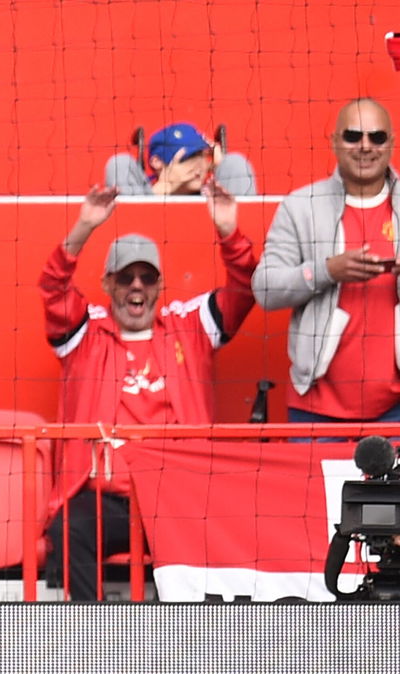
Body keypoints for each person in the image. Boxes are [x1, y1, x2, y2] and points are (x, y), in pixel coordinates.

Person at [39, 182, 257, 601]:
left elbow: (246, 287)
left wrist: (230, 232)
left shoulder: (190, 327)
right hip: (106, 498)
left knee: (229, 530)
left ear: (159, 285)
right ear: (107, 283)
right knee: (70, 527)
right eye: (126, 277)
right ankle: (91, 639)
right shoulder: (84, 333)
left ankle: (195, 646)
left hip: (181, 497)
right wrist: (84, 226)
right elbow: (52, 285)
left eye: (146, 277)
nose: (136, 286)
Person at [253, 98, 400, 424]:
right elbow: (264, 289)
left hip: (396, 410)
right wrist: (326, 271)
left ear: (391, 143)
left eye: (377, 137)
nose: (365, 146)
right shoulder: (301, 206)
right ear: (334, 141)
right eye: (353, 136)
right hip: (315, 410)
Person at [104, 122, 257, 196]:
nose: (199, 166)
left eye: (202, 156)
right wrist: (163, 189)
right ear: (157, 162)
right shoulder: (140, 192)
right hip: (145, 252)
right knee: (120, 163)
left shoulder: (214, 197)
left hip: (214, 250)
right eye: (188, 157)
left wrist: (221, 165)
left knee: (235, 162)